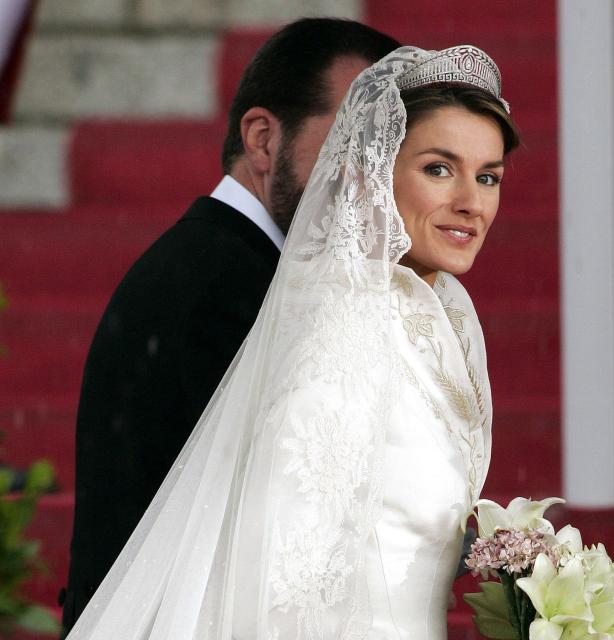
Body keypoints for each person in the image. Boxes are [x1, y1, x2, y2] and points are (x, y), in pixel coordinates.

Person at [66, 44, 519, 639]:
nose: (471, 202)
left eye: (488, 177)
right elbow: (285, 582)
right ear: (371, 174)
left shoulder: (440, 313)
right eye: (438, 168)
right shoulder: (337, 320)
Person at [60, 18, 400, 633]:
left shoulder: (228, 266)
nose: (372, 182)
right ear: (263, 139)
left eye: (391, 153)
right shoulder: (227, 288)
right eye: (353, 142)